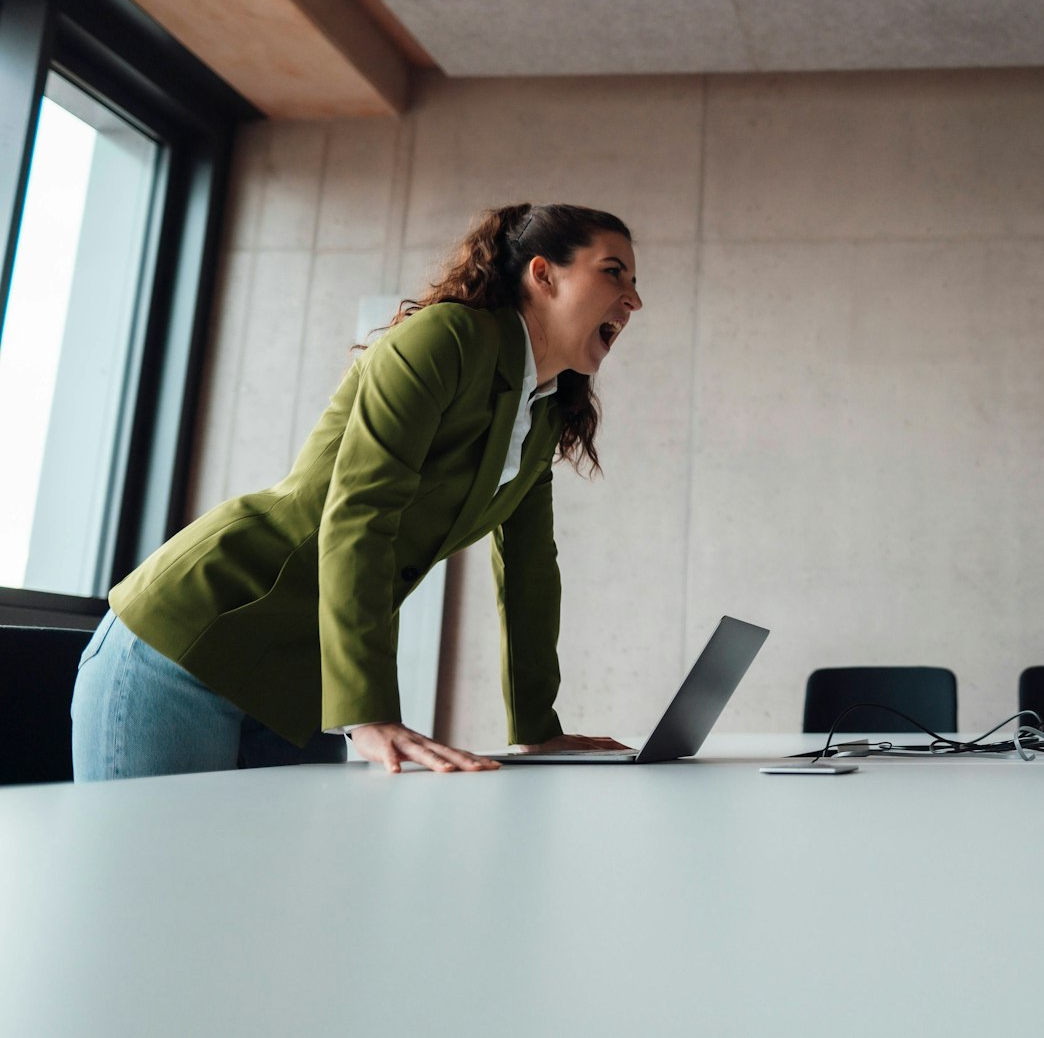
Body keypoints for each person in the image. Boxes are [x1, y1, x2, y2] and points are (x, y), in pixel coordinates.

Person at [71, 202, 643, 779]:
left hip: (299, 685)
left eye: (634, 283)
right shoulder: (448, 338)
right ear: (542, 274)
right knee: (155, 871)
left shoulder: (542, 411)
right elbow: (360, 514)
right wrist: (370, 712)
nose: (633, 300)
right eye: (613, 272)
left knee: (288, 873)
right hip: (192, 643)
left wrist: (538, 731)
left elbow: (529, 569)